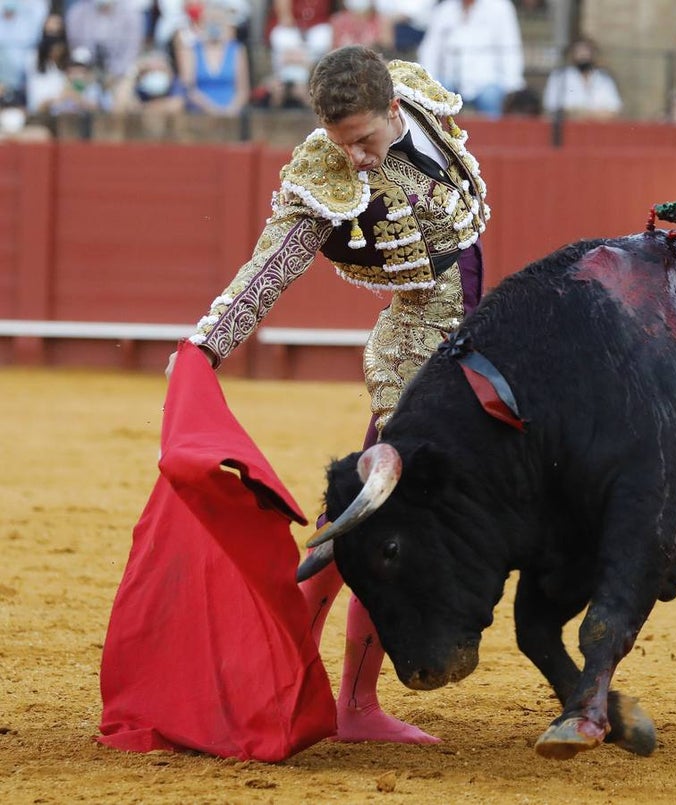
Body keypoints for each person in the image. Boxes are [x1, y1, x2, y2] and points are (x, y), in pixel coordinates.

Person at [167, 44, 490, 744]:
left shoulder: (417, 95)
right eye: (344, 145)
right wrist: (205, 347)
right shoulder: (325, 174)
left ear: (394, 109)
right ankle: (313, 695)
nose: (358, 160)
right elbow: (271, 267)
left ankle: (316, 692)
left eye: (367, 141)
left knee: (378, 518)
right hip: (414, 352)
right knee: (369, 521)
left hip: (469, 336)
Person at [417, 0, 525, 118]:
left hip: (488, 82)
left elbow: (510, 49)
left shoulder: (500, 7)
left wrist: (512, 86)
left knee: (490, 97)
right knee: (436, 96)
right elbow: (430, 51)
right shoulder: (444, 10)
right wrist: (428, 82)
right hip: (450, 81)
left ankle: (491, 136)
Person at [176, 0, 248, 116]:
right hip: (200, 114)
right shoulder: (192, 50)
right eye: (211, 21)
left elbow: (243, 90)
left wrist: (231, 110)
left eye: (218, 21)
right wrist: (211, 109)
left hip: (232, 115)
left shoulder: (237, 50)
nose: (214, 25)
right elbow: (188, 88)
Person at [541, 36, 622, 121]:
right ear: (572, 54)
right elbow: (551, 107)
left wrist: (584, 114)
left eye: (586, 51)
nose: (583, 55)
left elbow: (614, 109)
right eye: (579, 52)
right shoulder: (560, 77)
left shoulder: (604, 78)